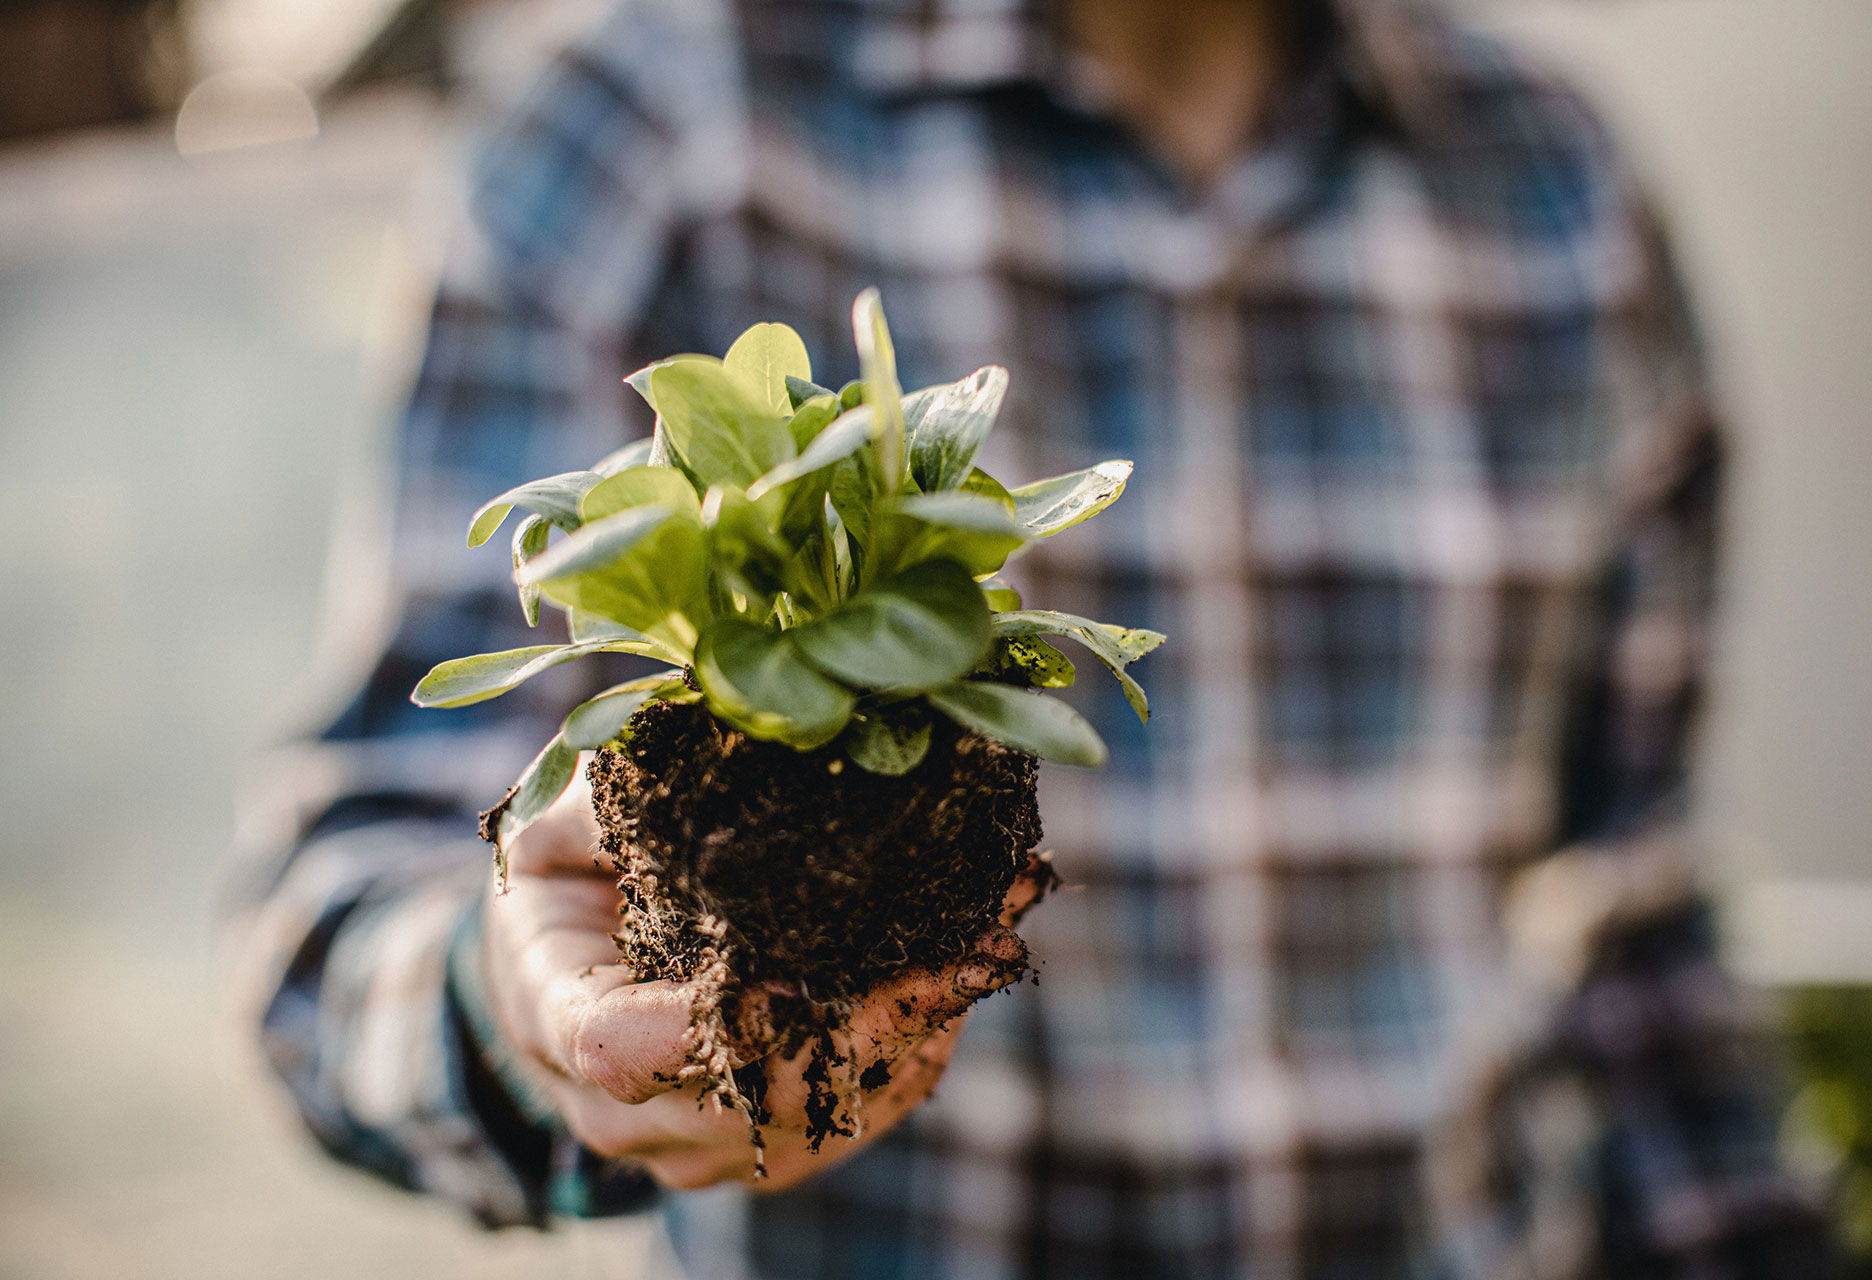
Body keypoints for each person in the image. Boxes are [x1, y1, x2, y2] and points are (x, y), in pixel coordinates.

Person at [229, 0, 1836, 1273]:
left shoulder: (1558, 189)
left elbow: (1628, 923)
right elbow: (333, 912)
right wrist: (525, 1022)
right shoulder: (639, 125)